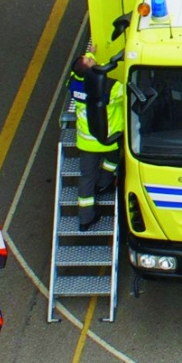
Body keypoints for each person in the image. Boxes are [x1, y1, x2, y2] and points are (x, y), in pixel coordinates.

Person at [68, 49, 124, 231]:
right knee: (113, 160)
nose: (94, 61)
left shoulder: (74, 82)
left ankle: (85, 219)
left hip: (86, 142)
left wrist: (89, 54)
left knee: (86, 179)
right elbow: (130, 91)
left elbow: (83, 66)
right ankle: (104, 183)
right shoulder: (111, 88)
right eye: (91, 61)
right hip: (110, 139)